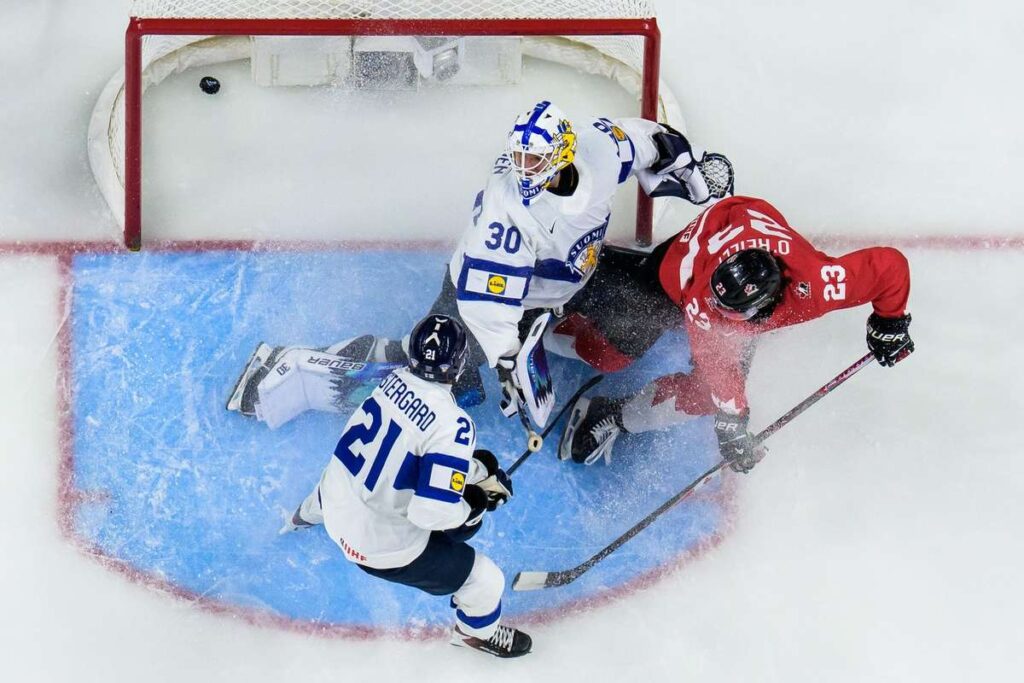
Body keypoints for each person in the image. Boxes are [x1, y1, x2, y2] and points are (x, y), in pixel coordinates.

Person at [226, 100, 732, 428]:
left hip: (566, 279)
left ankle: (539, 333)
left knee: (636, 323)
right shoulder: (505, 215)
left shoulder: (597, 149)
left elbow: (648, 141)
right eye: (519, 158)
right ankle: (297, 371)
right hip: (476, 292)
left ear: (564, 153)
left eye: (534, 161)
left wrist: (691, 176)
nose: (523, 170)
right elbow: (487, 304)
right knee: (427, 375)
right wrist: (509, 361)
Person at [557, 195, 914, 471]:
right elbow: (718, 367)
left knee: (705, 396)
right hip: (689, 258)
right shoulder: (704, 304)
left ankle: (612, 413)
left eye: (733, 313)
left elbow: (890, 268)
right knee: (606, 352)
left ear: (767, 302)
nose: (717, 314)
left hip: (746, 233)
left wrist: (890, 322)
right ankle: (569, 286)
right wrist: (733, 419)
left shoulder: (816, 286)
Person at [280, 315, 530, 658]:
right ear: (459, 365)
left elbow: (402, 449)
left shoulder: (389, 382)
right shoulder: (455, 425)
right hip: (381, 550)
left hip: (332, 505)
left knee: (345, 478)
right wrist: (476, 503)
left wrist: (473, 470)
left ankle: (301, 517)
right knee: (485, 579)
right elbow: (431, 514)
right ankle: (475, 634)